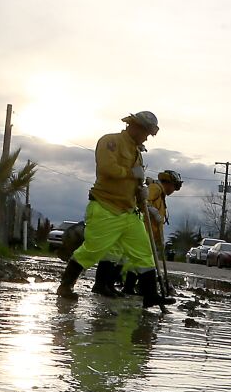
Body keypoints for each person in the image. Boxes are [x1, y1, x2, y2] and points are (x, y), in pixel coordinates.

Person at [56, 110, 170, 309]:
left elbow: (135, 180)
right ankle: (65, 287)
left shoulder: (137, 153)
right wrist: (130, 173)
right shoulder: (110, 142)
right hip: (105, 206)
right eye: (145, 133)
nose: (146, 138)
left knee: (144, 253)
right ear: (134, 126)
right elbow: (107, 168)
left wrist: (140, 192)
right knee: (92, 250)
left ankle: (150, 295)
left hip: (128, 212)